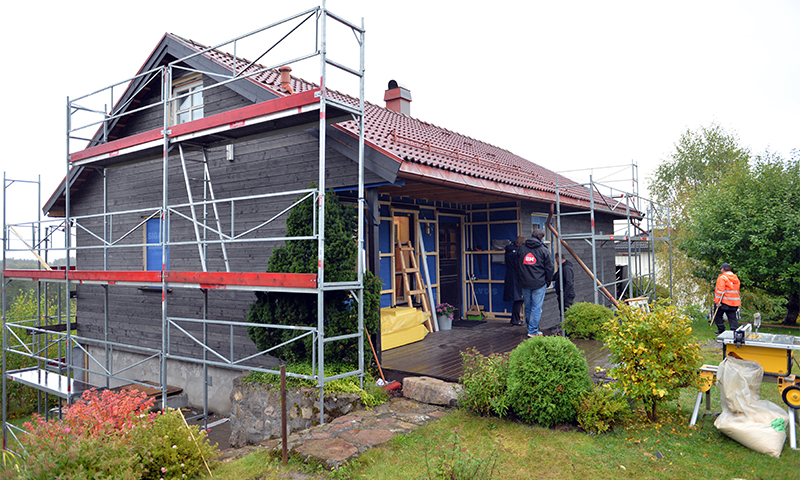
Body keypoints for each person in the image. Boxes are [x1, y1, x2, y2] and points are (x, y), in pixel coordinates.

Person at [517, 228, 554, 337]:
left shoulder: (522, 249)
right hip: (539, 283)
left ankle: (530, 329)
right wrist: (548, 281)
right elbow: (550, 268)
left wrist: (521, 278)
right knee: (536, 308)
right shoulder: (544, 250)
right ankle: (533, 331)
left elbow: (517, 266)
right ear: (542, 238)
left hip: (525, 283)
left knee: (528, 307)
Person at [503, 236, 526, 326]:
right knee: (519, 299)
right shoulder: (517, 253)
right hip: (517, 278)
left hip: (510, 276)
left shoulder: (509, 251)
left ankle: (515, 319)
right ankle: (515, 319)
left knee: (518, 299)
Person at [713, 263, 741, 334]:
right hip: (734, 302)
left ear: (723, 269)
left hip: (724, 301)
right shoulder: (735, 278)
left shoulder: (722, 278)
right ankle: (735, 333)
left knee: (717, 316)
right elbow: (737, 290)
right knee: (732, 318)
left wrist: (717, 302)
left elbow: (720, 291)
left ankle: (721, 330)